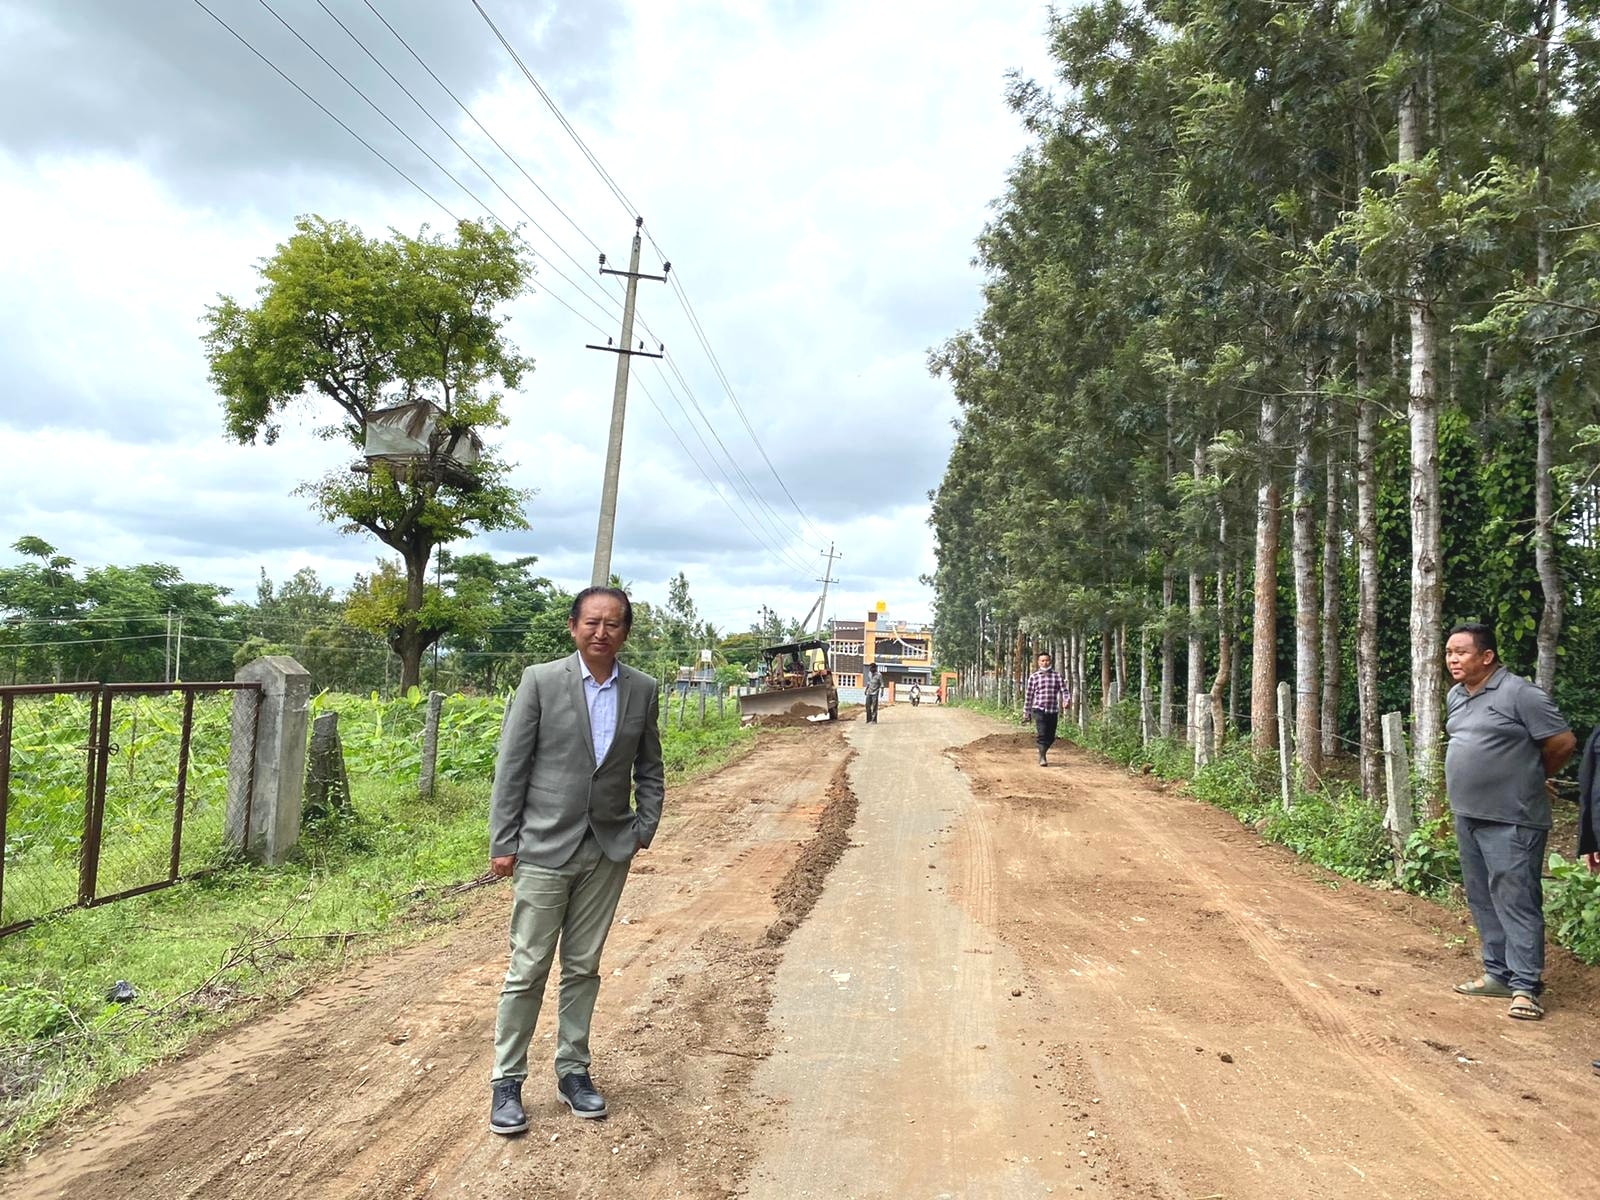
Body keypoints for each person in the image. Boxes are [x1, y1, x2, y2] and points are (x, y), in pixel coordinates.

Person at [486, 586, 665, 1136]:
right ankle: (507, 1083)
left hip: (607, 850)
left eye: (613, 624)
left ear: (625, 633)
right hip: (543, 846)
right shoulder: (541, 681)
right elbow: (512, 764)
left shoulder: (643, 689)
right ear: (573, 627)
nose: (601, 632)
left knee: (583, 966)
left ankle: (573, 1072)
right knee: (528, 967)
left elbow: (649, 767)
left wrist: (643, 828)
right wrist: (504, 840)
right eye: (592, 622)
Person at [1444, 623, 1574, 1022]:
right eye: (1449, 652)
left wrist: (1536, 776)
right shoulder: (1456, 696)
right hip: (1468, 814)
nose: (1452, 659)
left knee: (1516, 900)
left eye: (1461, 652)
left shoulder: (1521, 693)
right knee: (1482, 897)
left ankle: (1526, 986)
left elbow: (1562, 742)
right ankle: (1498, 974)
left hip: (1513, 818)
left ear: (1487, 657)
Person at [1023, 652, 1066, 767]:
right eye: (1042, 661)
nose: (1045, 662)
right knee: (1042, 733)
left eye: (1047, 660)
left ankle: (1043, 751)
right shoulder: (1034, 677)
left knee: (1051, 736)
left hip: (1053, 710)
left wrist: (1067, 700)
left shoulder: (1057, 676)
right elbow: (1029, 696)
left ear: (1050, 661)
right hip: (1039, 709)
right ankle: (1042, 757)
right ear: (1038, 662)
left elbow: (1064, 691)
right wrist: (1026, 712)